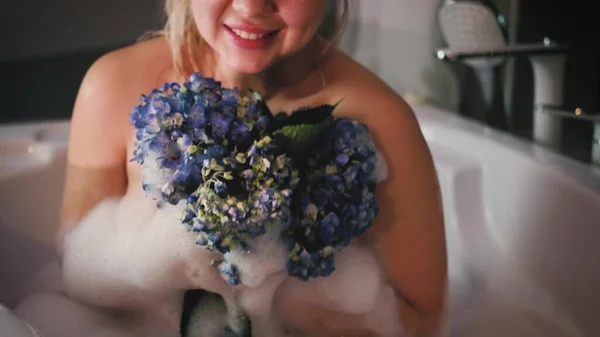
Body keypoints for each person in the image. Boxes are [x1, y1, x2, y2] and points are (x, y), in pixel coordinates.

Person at [54, 0, 447, 336]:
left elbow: (421, 320)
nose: (252, 6)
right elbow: (81, 284)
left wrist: (287, 294)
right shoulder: (111, 89)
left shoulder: (381, 122)